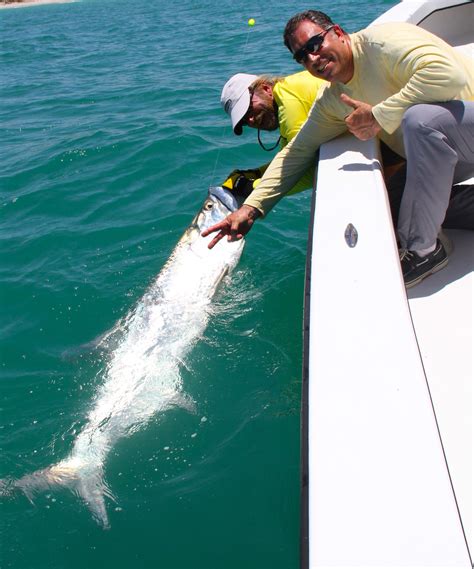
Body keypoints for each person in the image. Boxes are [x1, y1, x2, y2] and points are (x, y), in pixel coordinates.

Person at [204, 10, 474, 288]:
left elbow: (447, 75)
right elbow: (298, 152)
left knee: (420, 121)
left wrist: (378, 115)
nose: (312, 58)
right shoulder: (334, 98)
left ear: (338, 32)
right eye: (301, 57)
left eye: (314, 44)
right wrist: (251, 208)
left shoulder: (384, 43)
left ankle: (424, 253)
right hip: (454, 149)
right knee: (390, 203)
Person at [219, 71, 326, 197]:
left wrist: (251, 188)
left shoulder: (288, 106)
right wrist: (257, 173)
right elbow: (287, 160)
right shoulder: (285, 93)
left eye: (248, 109)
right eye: (243, 121)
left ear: (265, 89)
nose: (251, 120)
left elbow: (312, 171)